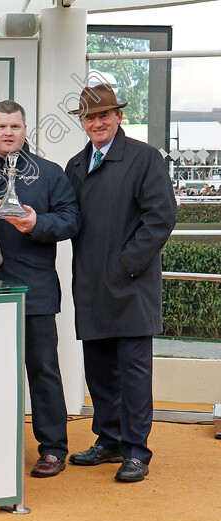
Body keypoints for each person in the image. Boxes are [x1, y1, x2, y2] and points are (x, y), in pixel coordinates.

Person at [64, 84, 176, 483]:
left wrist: (126, 265)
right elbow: (68, 219)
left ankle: (136, 451)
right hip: (91, 287)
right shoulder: (75, 165)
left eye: (104, 115)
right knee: (99, 371)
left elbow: (160, 218)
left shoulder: (145, 158)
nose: (97, 122)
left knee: (132, 373)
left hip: (131, 286)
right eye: (90, 117)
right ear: (82, 122)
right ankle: (108, 440)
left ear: (119, 117)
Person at [0, 100, 80, 478]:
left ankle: (52, 448)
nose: (8, 133)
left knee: (44, 371)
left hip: (36, 291)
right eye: (1, 126)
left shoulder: (49, 174)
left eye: (15, 126)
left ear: (25, 129)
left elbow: (70, 221)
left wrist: (36, 223)